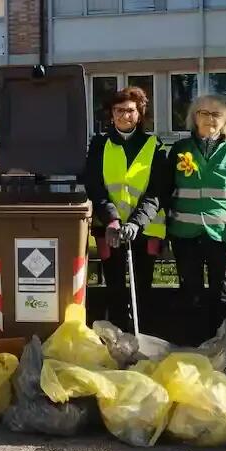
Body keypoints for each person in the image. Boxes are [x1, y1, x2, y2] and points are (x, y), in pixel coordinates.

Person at [163, 94, 226, 345]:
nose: (209, 119)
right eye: (204, 113)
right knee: (189, 294)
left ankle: (220, 349)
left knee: (221, 295)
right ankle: (191, 348)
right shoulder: (180, 150)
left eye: (216, 114)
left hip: (221, 238)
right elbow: (164, 192)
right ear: (194, 117)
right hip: (185, 236)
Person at [82, 87, 166, 332]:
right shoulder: (99, 144)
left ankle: (143, 337)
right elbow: (94, 186)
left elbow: (157, 191)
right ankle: (117, 337)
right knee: (115, 286)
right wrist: (112, 219)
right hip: (110, 229)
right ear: (111, 114)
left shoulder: (154, 145)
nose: (124, 115)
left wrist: (135, 223)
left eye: (130, 111)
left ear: (139, 114)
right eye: (119, 110)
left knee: (142, 288)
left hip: (146, 228)